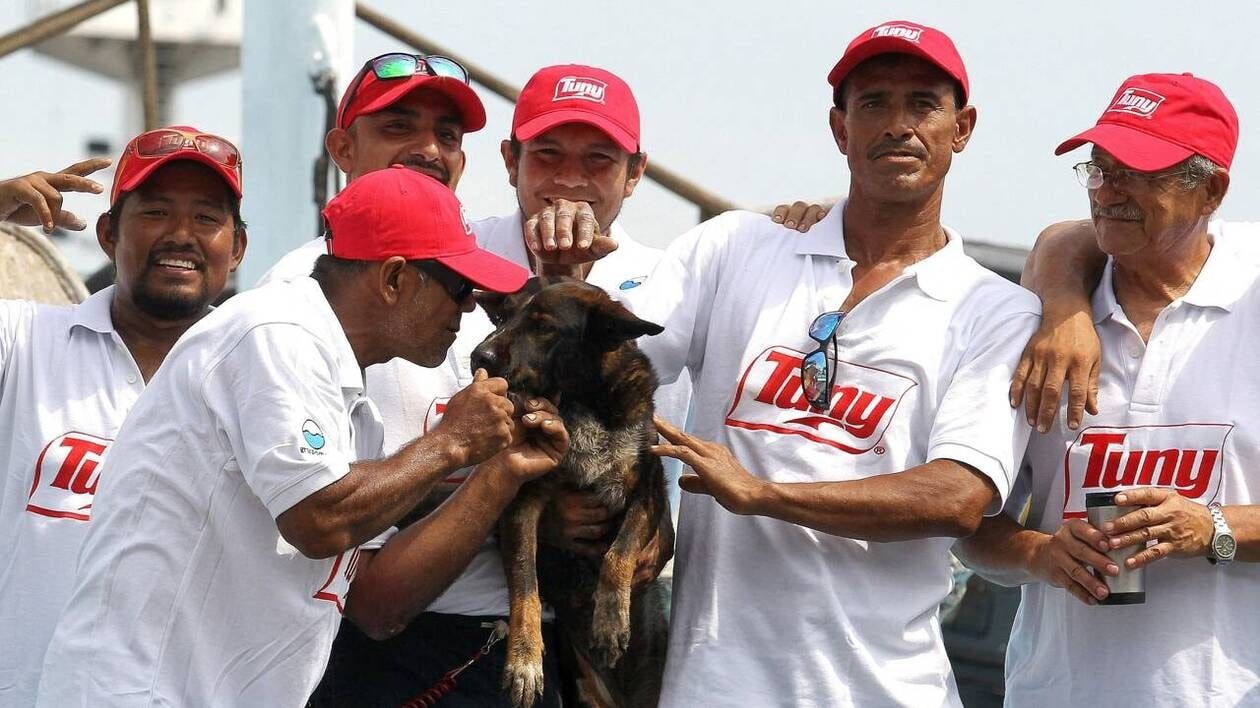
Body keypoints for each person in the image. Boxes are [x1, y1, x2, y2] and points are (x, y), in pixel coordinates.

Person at [609, 19, 1041, 707]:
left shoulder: (998, 312)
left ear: (963, 127)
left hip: (886, 691)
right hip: (716, 688)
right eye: (873, 103)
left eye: (923, 103)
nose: (898, 124)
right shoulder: (737, 247)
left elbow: (957, 498)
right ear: (840, 129)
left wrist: (764, 494)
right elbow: (609, 368)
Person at [34, 167, 568, 706]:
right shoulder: (276, 332)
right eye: (458, 287)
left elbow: (378, 609)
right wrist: (452, 442)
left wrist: (503, 471)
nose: (470, 308)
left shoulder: (349, 398)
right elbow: (318, 519)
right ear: (393, 279)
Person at [308, 63, 691, 708]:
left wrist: (816, 215)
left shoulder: (680, 280)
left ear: (636, 170)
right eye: (547, 155)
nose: (570, 178)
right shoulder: (443, 260)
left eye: (598, 158)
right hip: (414, 627)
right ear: (509, 161)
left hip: (592, 633)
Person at [958, 73, 1260, 706]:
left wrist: (1213, 529)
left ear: (1212, 190)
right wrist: (1040, 555)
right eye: (1100, 168)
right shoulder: (1030, 323)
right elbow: (970, 524)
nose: (1109, 191)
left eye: (1141, 172)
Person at [0, 128, 245, 706]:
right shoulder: (24, 341)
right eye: (155, 212)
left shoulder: (258, 382)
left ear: (236, 248)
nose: (180, 235)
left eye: (206, 217)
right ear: (108, 234)